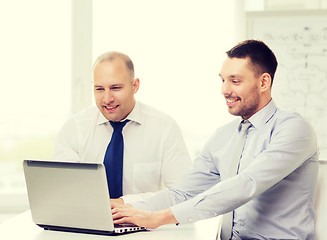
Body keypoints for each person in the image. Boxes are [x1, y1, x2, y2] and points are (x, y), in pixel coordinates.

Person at [111, 40, 319, 240]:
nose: (225, 90)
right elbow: (182, 194)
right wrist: (123, 211)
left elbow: (247, 184)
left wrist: (159, 218)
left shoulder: (293, 129)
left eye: (235, 81)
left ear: (263, 82)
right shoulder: (223, 136)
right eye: (223, 80)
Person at [53, 51, 191, 204]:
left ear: (135, 86)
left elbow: (183, 193)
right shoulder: (75, 128)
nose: (107, 99)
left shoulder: (165, 128)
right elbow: (63, 191)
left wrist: (125, 203)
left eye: (116, 88)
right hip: (85, 224)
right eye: (99, 89)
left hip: (143, 224)